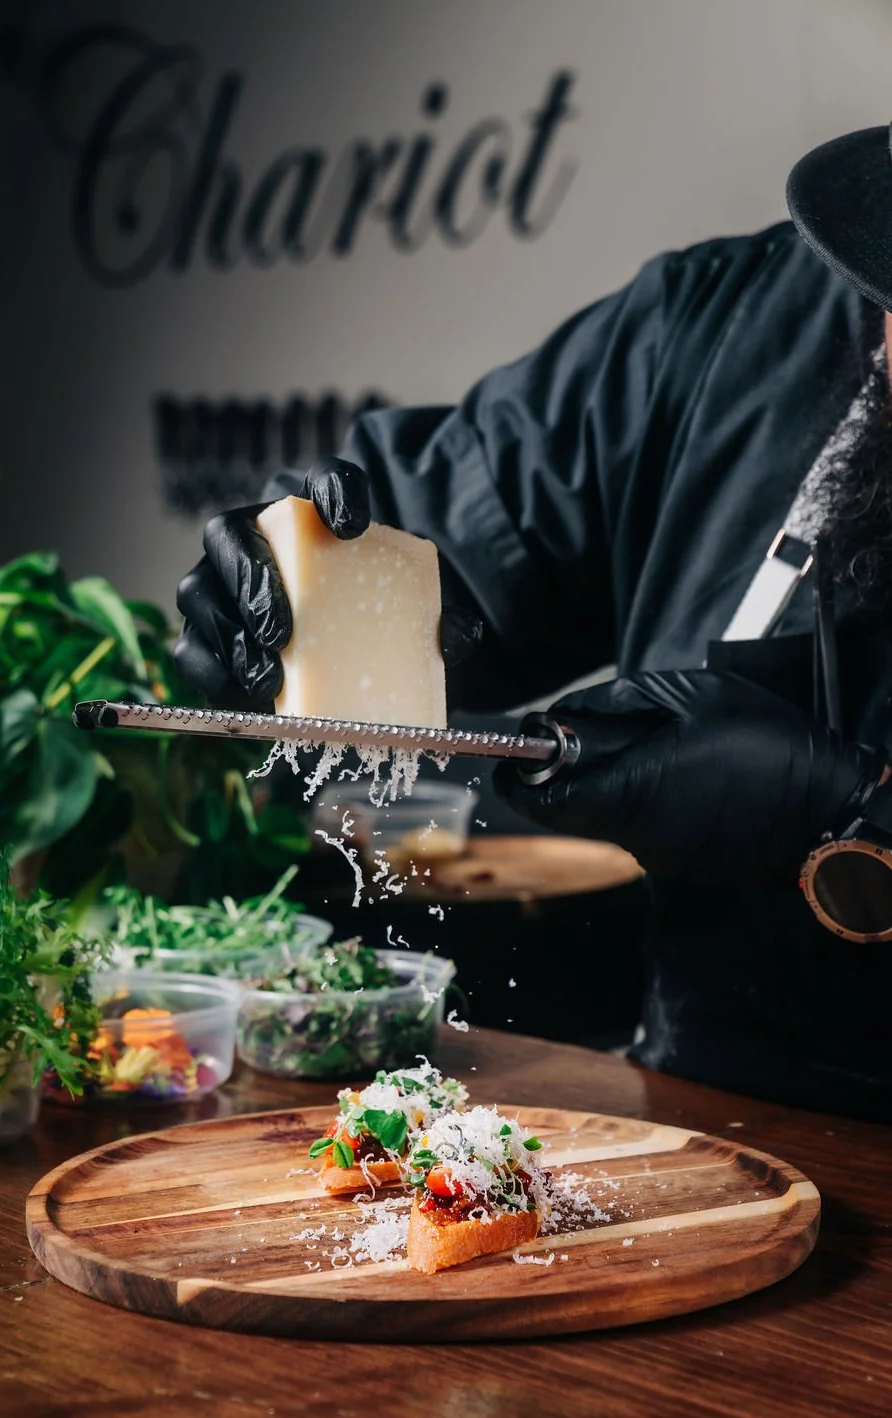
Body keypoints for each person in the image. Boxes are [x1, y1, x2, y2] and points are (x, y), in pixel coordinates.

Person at [174, 123, 892, 1122]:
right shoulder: (721, 322)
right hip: (697, 1104)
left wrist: (854, 809)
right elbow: (473, 513)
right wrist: (317, 593)